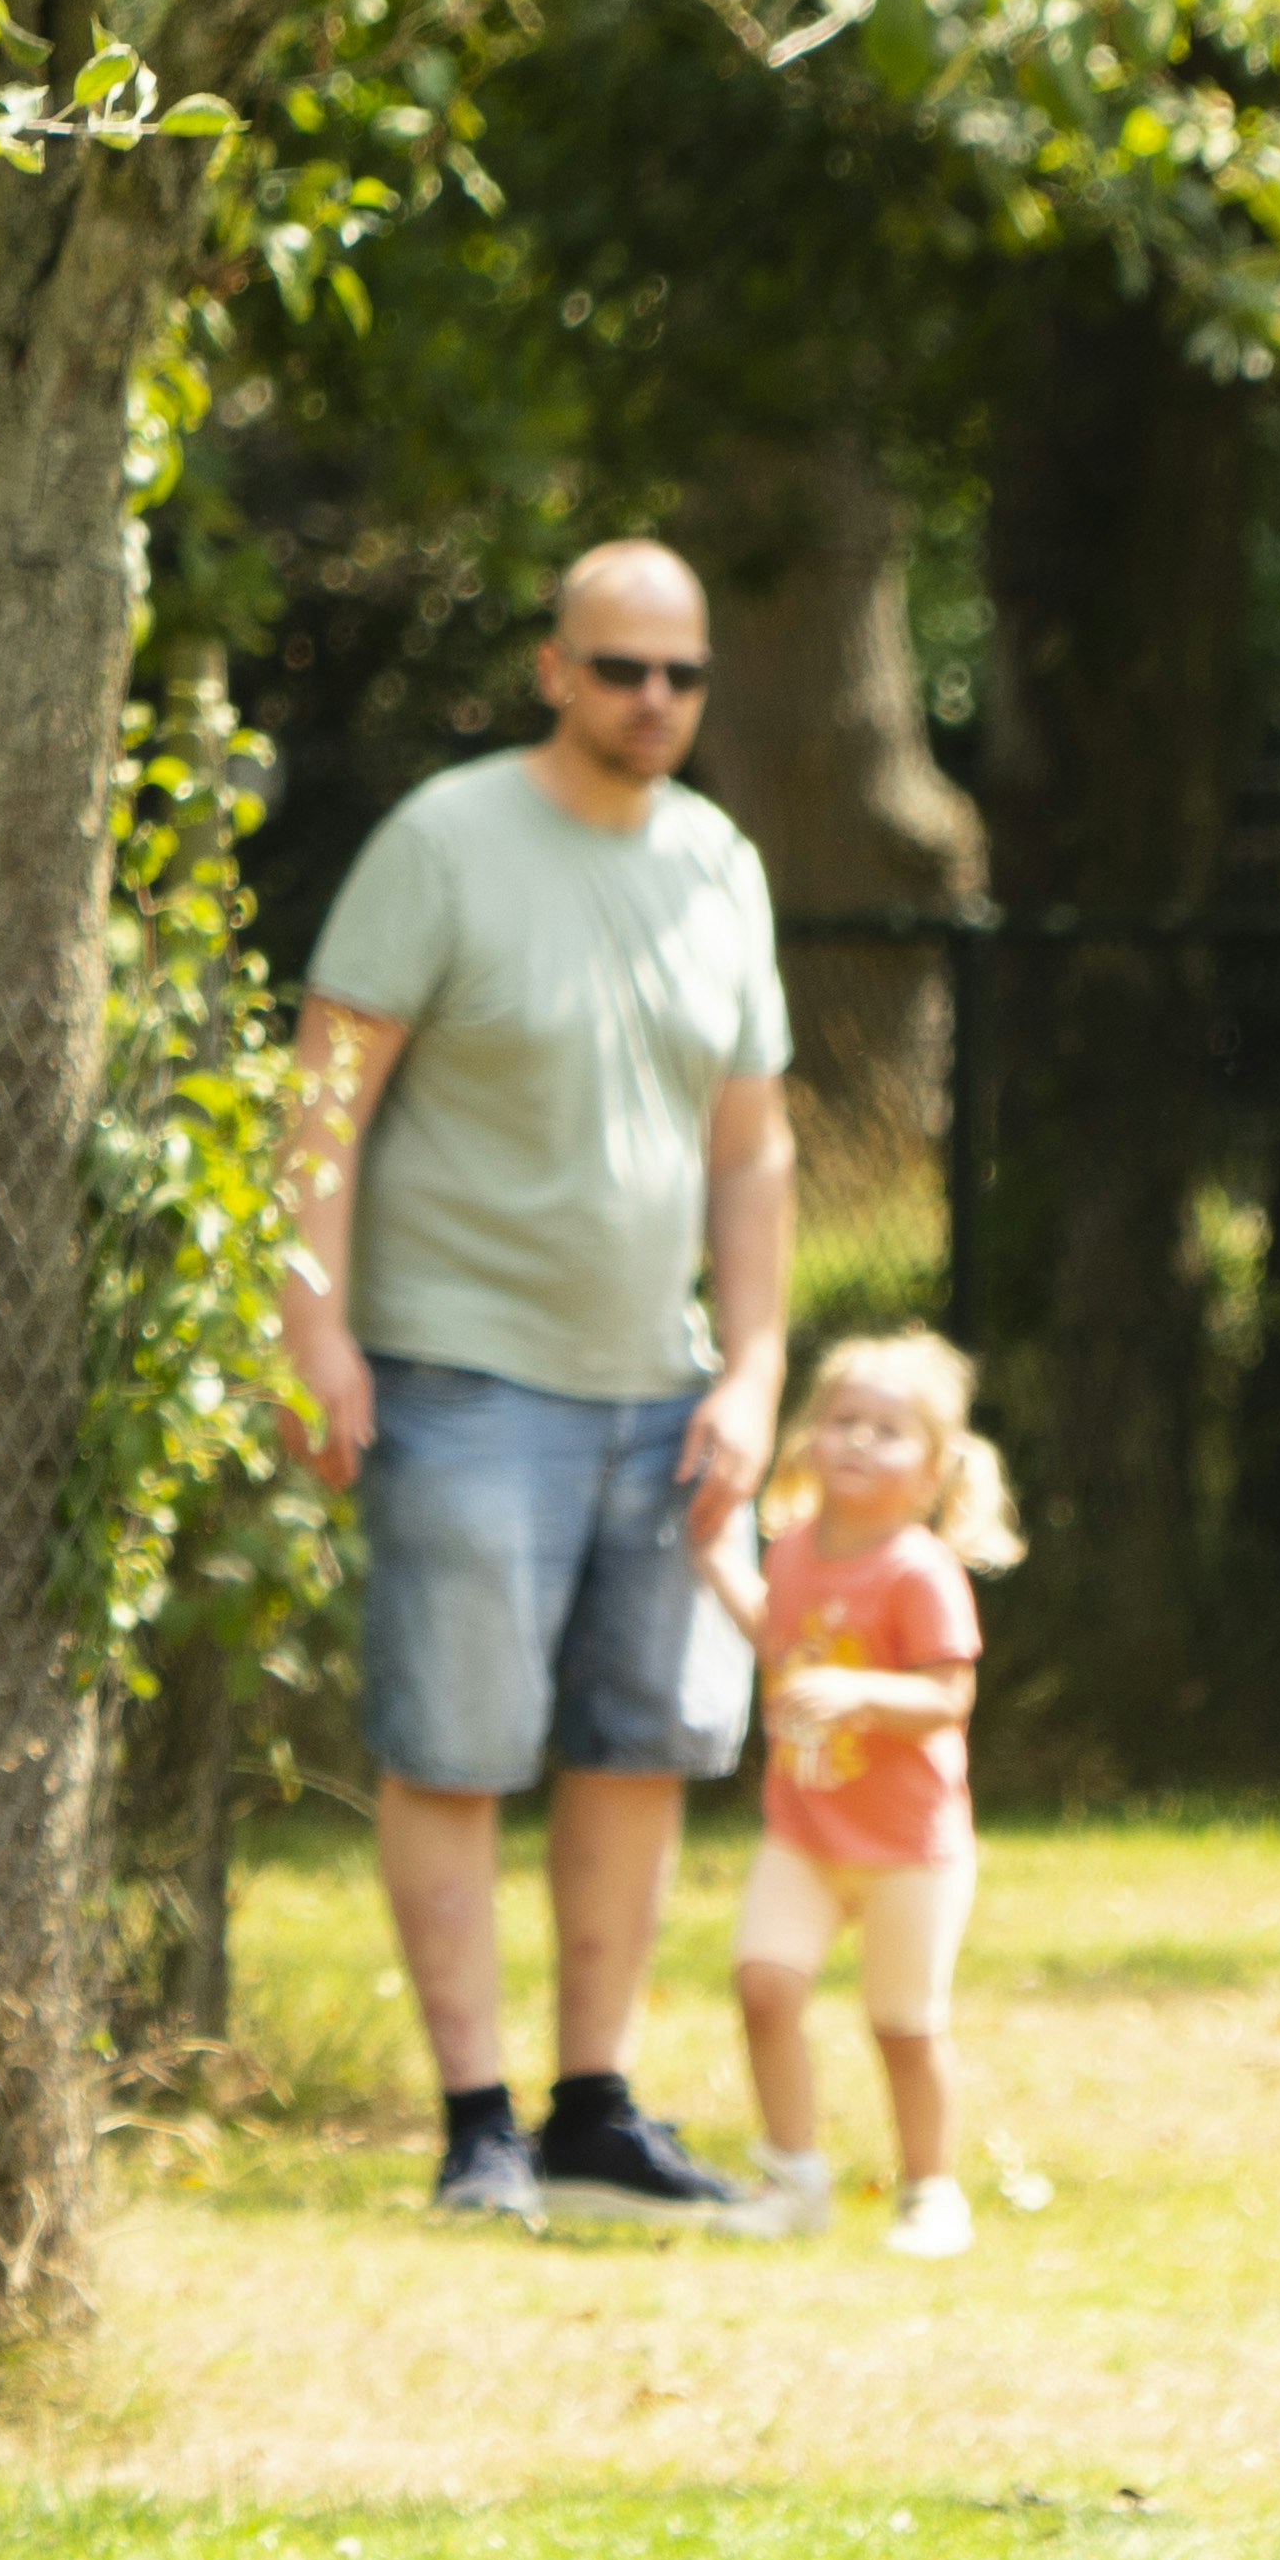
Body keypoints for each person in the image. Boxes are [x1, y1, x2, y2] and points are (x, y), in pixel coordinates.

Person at [274, 540, 799, 2227]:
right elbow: (322, 1104)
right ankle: (472, 2123)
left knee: (638, 1746)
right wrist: (313, 1328)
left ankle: (591, 2108)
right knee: (455, 1748)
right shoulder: (442, 842)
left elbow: (752, 1146)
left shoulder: (717, 861)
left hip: (661, 1388)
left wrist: (756, 1366)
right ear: (553, 671)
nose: (653, 700)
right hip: (460, 1373)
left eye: (681, 674)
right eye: (620, 667)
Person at [695, 1330, 1024, 2255]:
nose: (857, 1441)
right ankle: (792, 2177)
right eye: (842, 1420)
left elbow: (947, 1699)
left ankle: (930, 2192)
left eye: (887, 1429)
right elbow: (778, 1631)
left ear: (932, 1472)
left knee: (904, 2026)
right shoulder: (794, 1550)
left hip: (909, 1848)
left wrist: (860, 1694)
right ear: (809, 1437)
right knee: (764, 1988)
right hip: (802, 1830)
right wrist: (720, 1563)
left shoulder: (920, 1570)